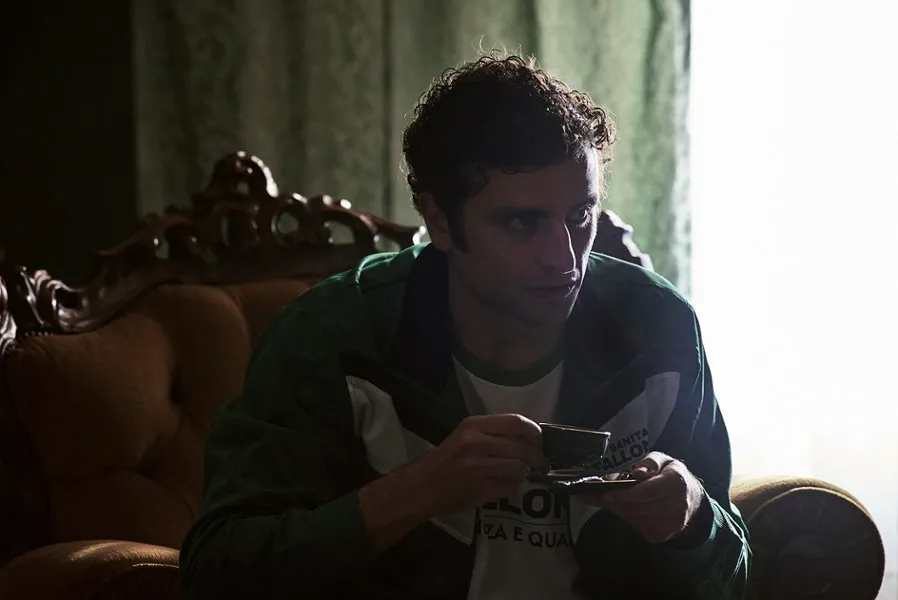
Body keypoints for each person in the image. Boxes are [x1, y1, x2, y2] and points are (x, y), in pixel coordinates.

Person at [179, 52, 751, 599]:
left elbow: (733, 578)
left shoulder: (657, 327)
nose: (565, 258)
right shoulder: (332, 336)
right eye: (523, 223)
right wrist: (419, 490)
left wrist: (693, 518)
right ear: (440, 221)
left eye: (581, 215)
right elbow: (218, 572)